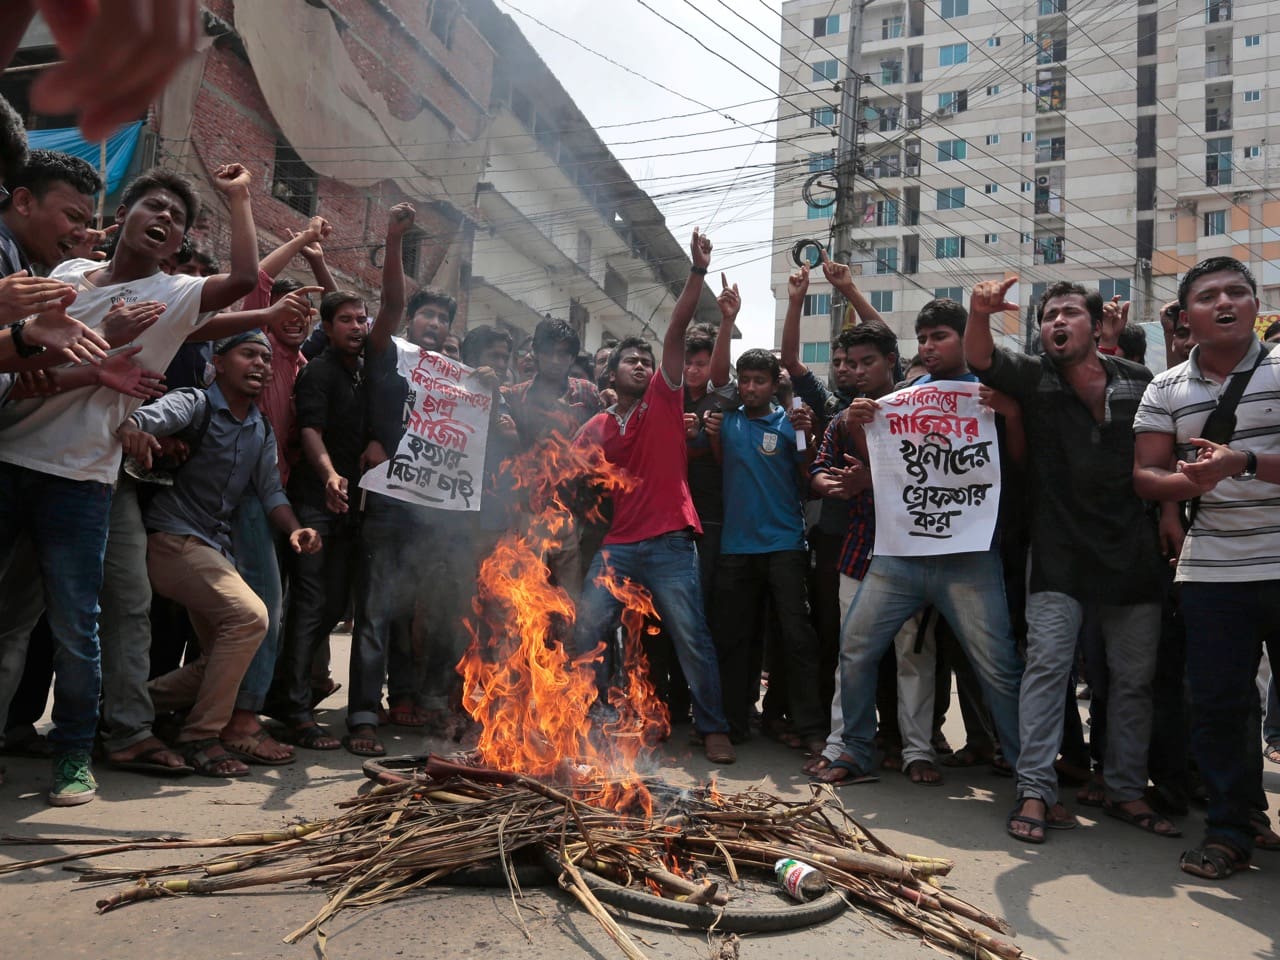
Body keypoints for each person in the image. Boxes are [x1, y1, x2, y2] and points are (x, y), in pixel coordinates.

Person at [0, 163, 261, 804]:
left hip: (81, 479)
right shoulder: (63, 277)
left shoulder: (175, 294)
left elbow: (247, 279)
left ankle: (72, 756)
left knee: (78, 627)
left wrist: (238, 198)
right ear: (122, 219)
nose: (164, 219)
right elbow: (25, 361)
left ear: (176, 247)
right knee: (6, 625)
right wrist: (88, 355)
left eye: (176, 218)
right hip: (10, 458)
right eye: (153, 206)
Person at [966, 278, 1171, 844]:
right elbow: (980, 356)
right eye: (1048, 315)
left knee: (1132, 681)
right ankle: (1035, 790)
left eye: (1069, 313)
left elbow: (1161, 452)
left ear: (1096, 322)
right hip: (1058, 554)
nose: (1058, 322)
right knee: (1047, 672)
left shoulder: (1139, 382)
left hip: (1132, 553)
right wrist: (979, 312)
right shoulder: (1033, 377)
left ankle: (1126, 788)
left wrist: (1171, 516)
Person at [817, 298, 1025, 808]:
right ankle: (855, 750)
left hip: (970, 556)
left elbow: (1018, 462)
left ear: (965, 337)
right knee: (856, 649)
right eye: (924, 338)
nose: (930, 348)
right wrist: (863, 426)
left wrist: (1013, 414)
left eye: (941, 337)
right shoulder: (904, 397)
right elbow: (885, 473)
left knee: (997, 666)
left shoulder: (992, 393)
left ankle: (1030, 776)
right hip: (900, 553)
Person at [1134, 256, 1280, 880]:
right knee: (1219, 706)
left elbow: (1242, 464)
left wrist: (1240, 463)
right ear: (1186, 316)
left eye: (1237, 292)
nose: (1226, 302)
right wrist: (1181, 484)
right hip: (1212, 570)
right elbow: (1144, 474)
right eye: (1209, 295)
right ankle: (1230, 829)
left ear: (1255, 303)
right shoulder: (1165, 388)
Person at [117, 330, 320, 776]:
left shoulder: (260, 426)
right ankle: (201, 736)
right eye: (249, 354)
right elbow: (144, 418)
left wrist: (295, 529)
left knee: (222, 657)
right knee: (251, 617)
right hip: (171, 539)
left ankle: (123, 709)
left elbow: (270, 491)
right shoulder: (195, 402)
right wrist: (136, 430)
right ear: (219, 362)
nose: (261, 365)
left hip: (211, 546)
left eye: (266, 359)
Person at [572, 228, 734, 765]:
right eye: (630, 361)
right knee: (587, 628)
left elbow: (677, 327)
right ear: (610, 375)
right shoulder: (596, 422)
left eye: (647, 360)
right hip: (617, 545)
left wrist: (697, 272)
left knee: (692, 636)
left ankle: (713, 728)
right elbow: (563, 475)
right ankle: (585, 715)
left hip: (667, 541)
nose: (643, 365)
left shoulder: (665, 399)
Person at [711, 348, 827, 751]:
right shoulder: (726, 422)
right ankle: (733, 722)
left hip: (784, 544)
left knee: (796, 637)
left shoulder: (789, 422)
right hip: (736, 547)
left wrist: (807, 434)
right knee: (733, 637)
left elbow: (807, 474)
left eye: (759, 380)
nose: (750, 388)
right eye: (745, 380)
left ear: (773, 383)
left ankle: (810, 727)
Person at [273, 291, 372, 755]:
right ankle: (294, 712)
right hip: (316, 503)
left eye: (361, 318)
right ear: (327, 328)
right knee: (310, 606)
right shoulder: (319, 372)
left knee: (332, 608)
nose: (356, 326)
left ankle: (293, 695)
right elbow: (310, 429)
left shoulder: (363, 373)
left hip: (350, 508)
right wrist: (330, 475)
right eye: (346, 320)